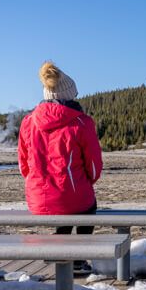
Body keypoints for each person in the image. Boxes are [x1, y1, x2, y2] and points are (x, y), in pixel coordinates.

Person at [18, 61, 103, 273]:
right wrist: (82, 182)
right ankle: (77, 260)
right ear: (70, 94)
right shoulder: (82, 122)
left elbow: (23, 166)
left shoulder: (28, 121)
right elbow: (94, 168)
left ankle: (58, 248)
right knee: (85, 205)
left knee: (64, 202)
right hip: (73, 195)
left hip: (37, 200)